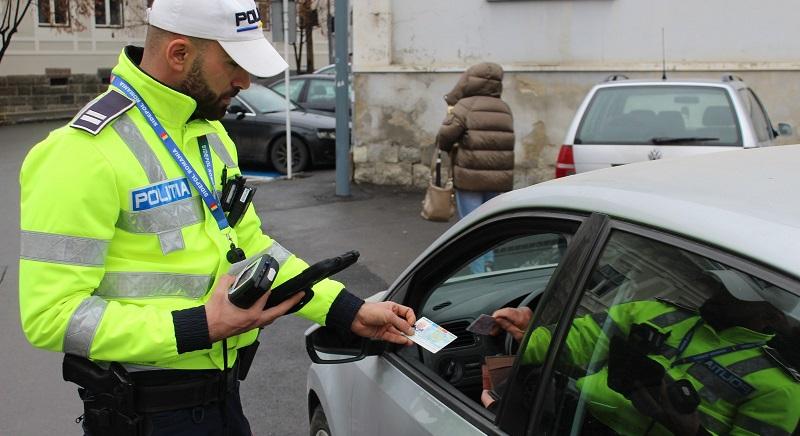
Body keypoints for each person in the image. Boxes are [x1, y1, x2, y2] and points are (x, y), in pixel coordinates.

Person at [18, 1, 415, 434]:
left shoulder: (209, 133)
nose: (245, 81)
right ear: (179, 54)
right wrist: (199, 326)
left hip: (223, 401)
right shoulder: (79, 153)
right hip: (146, 415)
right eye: (234, 64)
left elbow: (252, 250)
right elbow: (52, 315)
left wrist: (347, 310)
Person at [484, 273, 800, 436]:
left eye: (733, 297)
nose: (717, 295)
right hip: (568, 418)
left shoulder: (781, 388)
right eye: (720, 287)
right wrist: (530, 332)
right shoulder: (656, 311)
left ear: (770, 317)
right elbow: (575, 341)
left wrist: (691, 431)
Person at [435, 62, 515, 273]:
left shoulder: (465, 106)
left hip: (469, 179)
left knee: (471, 227)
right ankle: (489, 263)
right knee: (491, 224)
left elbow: (445, 137)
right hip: (498, 179)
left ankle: (479, 273)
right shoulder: (504, 108)